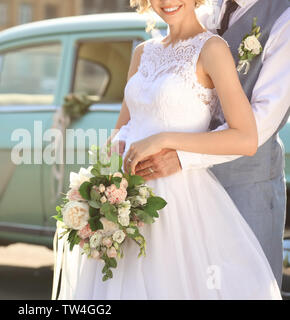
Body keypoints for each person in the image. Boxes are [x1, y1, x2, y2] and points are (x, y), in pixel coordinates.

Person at [55, 0, 282, 299]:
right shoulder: (142, 53)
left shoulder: (212, 49)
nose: (167, 2)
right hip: (126, 202)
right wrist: (103, 186)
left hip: (179, 202)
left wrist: (163, 140)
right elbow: (123, 127)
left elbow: (246, 138)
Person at [126, 0, 290, 288]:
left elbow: (261, 121)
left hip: (246, 183)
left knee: (243, 286)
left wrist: (181, 155)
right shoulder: (199, 12)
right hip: (168, 194)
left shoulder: (283, 16)